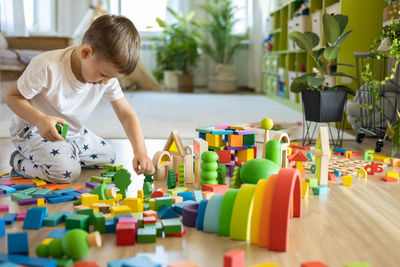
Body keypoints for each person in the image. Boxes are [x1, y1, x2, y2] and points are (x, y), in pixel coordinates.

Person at [5, 15, 154, 183]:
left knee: (108, 156)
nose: (106, 82)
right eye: (104, 75)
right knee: (66, 171)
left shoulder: (106, 78)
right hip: (32, 129)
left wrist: (140, 151)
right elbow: (12, 97)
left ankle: (62, 152)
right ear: (85, 53)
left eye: (112, 78)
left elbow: (126, 114)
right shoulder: (47, 66)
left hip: (69, 132)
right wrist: (40, 120)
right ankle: (19, 160)